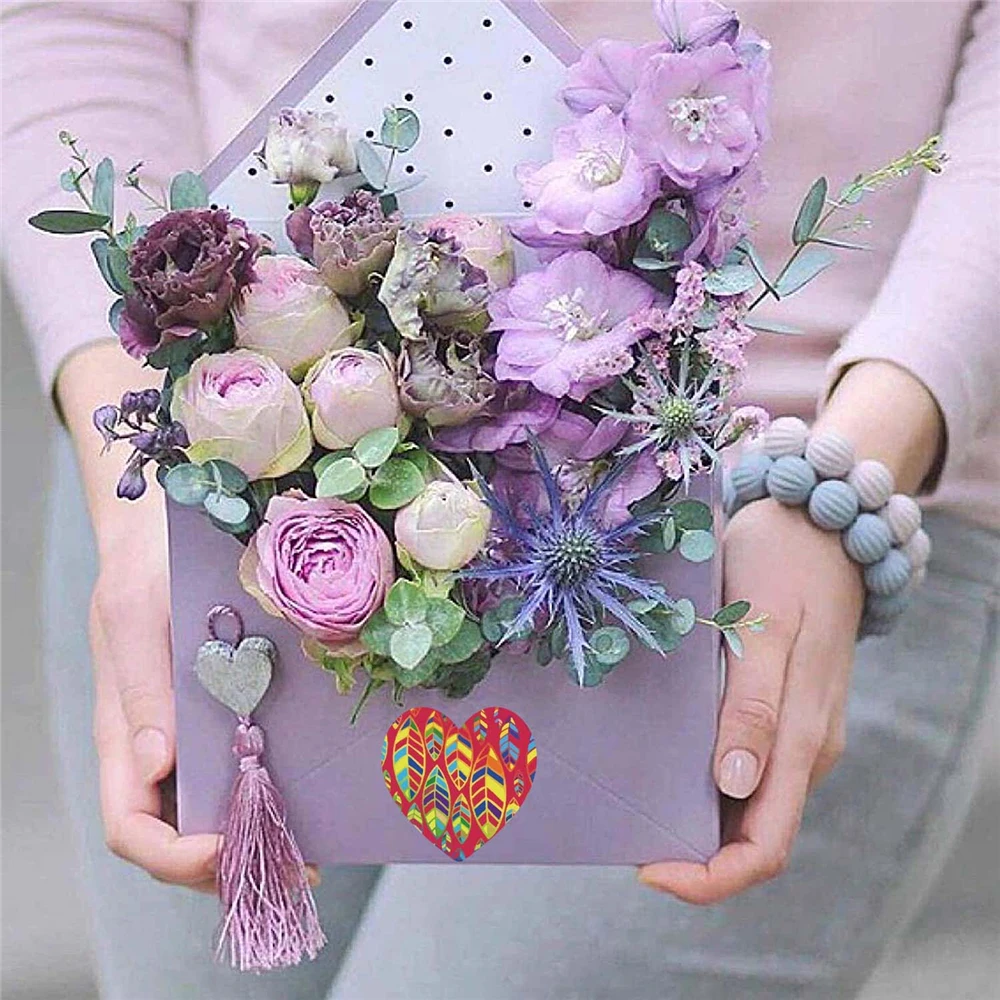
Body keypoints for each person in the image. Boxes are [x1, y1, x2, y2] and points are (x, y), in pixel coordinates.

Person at [2, 1, 997, 998]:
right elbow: (82, 18)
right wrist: (144, 487)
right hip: (234, 462)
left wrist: (849, 467)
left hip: (772, 506)